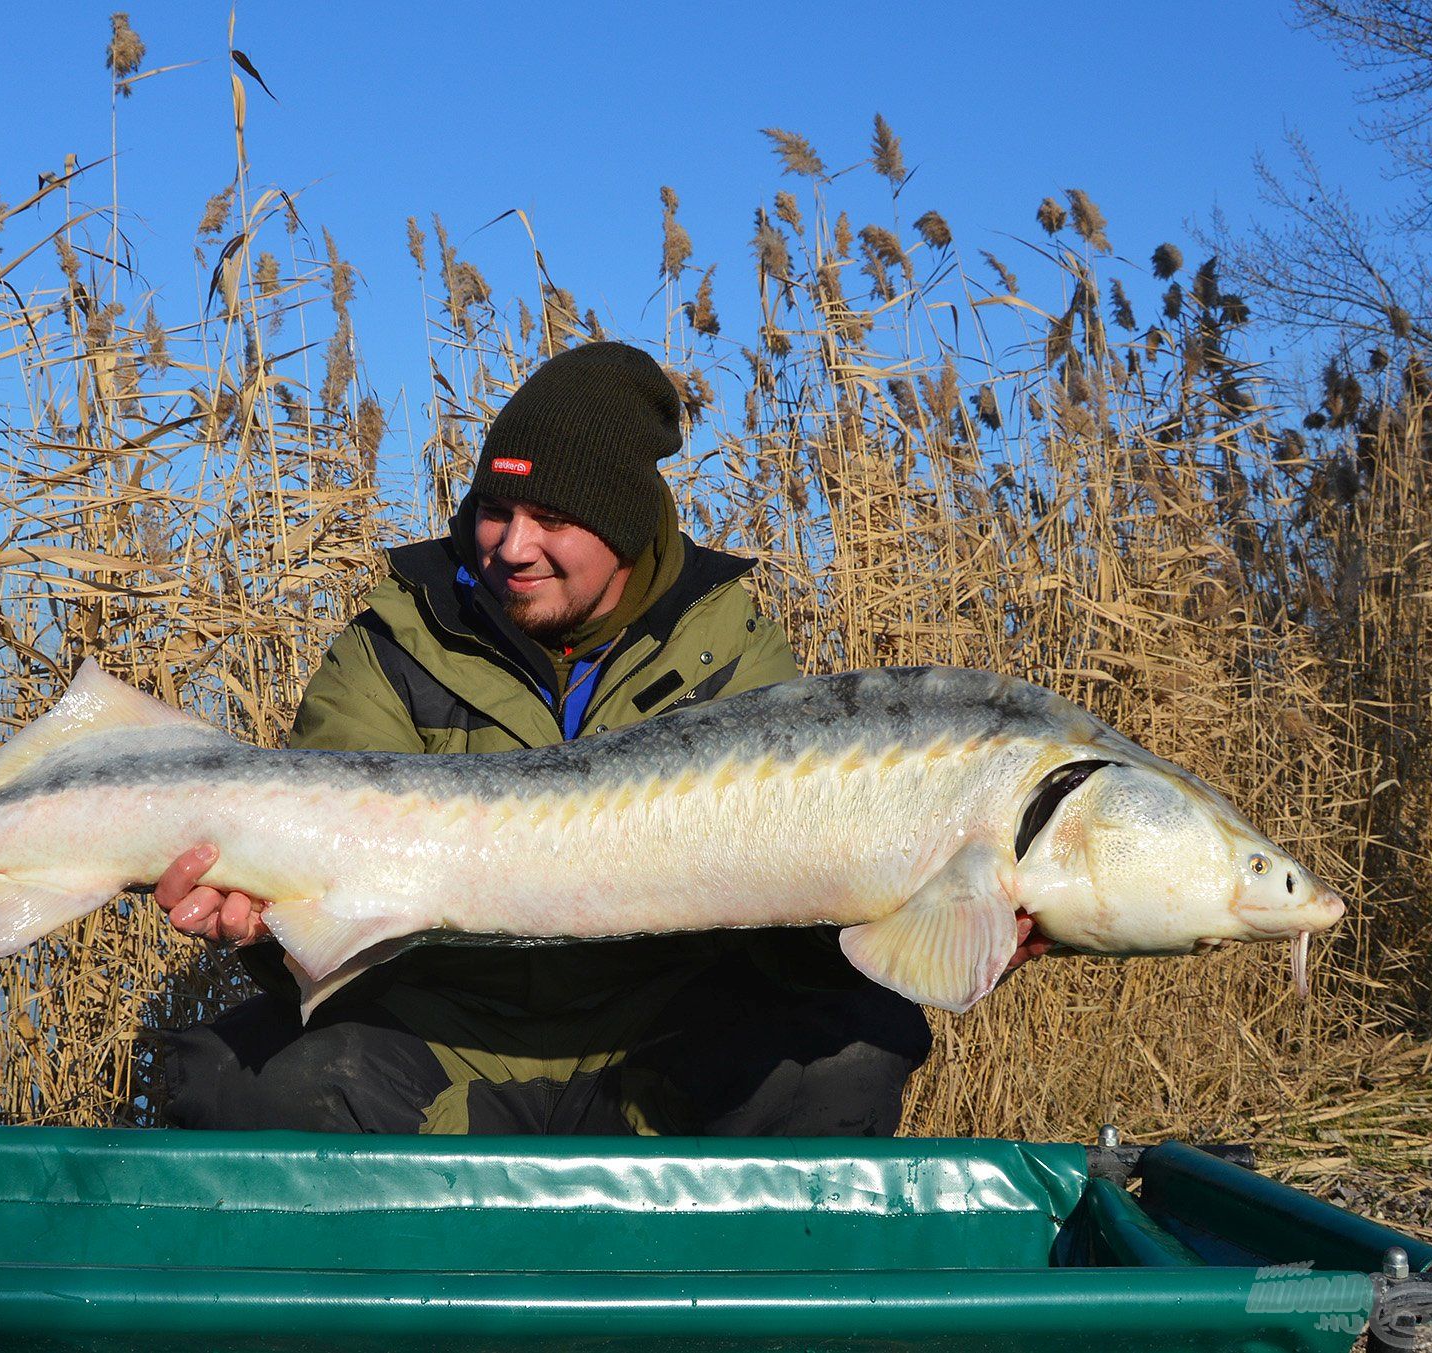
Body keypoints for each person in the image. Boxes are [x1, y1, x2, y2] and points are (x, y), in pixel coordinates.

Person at [144, 341, 1041, 1135]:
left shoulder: (730, 650)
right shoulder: (396, 637)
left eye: (554, 520)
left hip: (654, 1039)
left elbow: (793, 909)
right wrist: (261, 928)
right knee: (233, 1076)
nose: (511, 546)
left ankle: (707, 1316)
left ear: (622, 527)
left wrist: (938, 921)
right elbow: (319, 885)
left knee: (850, 1053)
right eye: (496, 507)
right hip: (442, 1035)